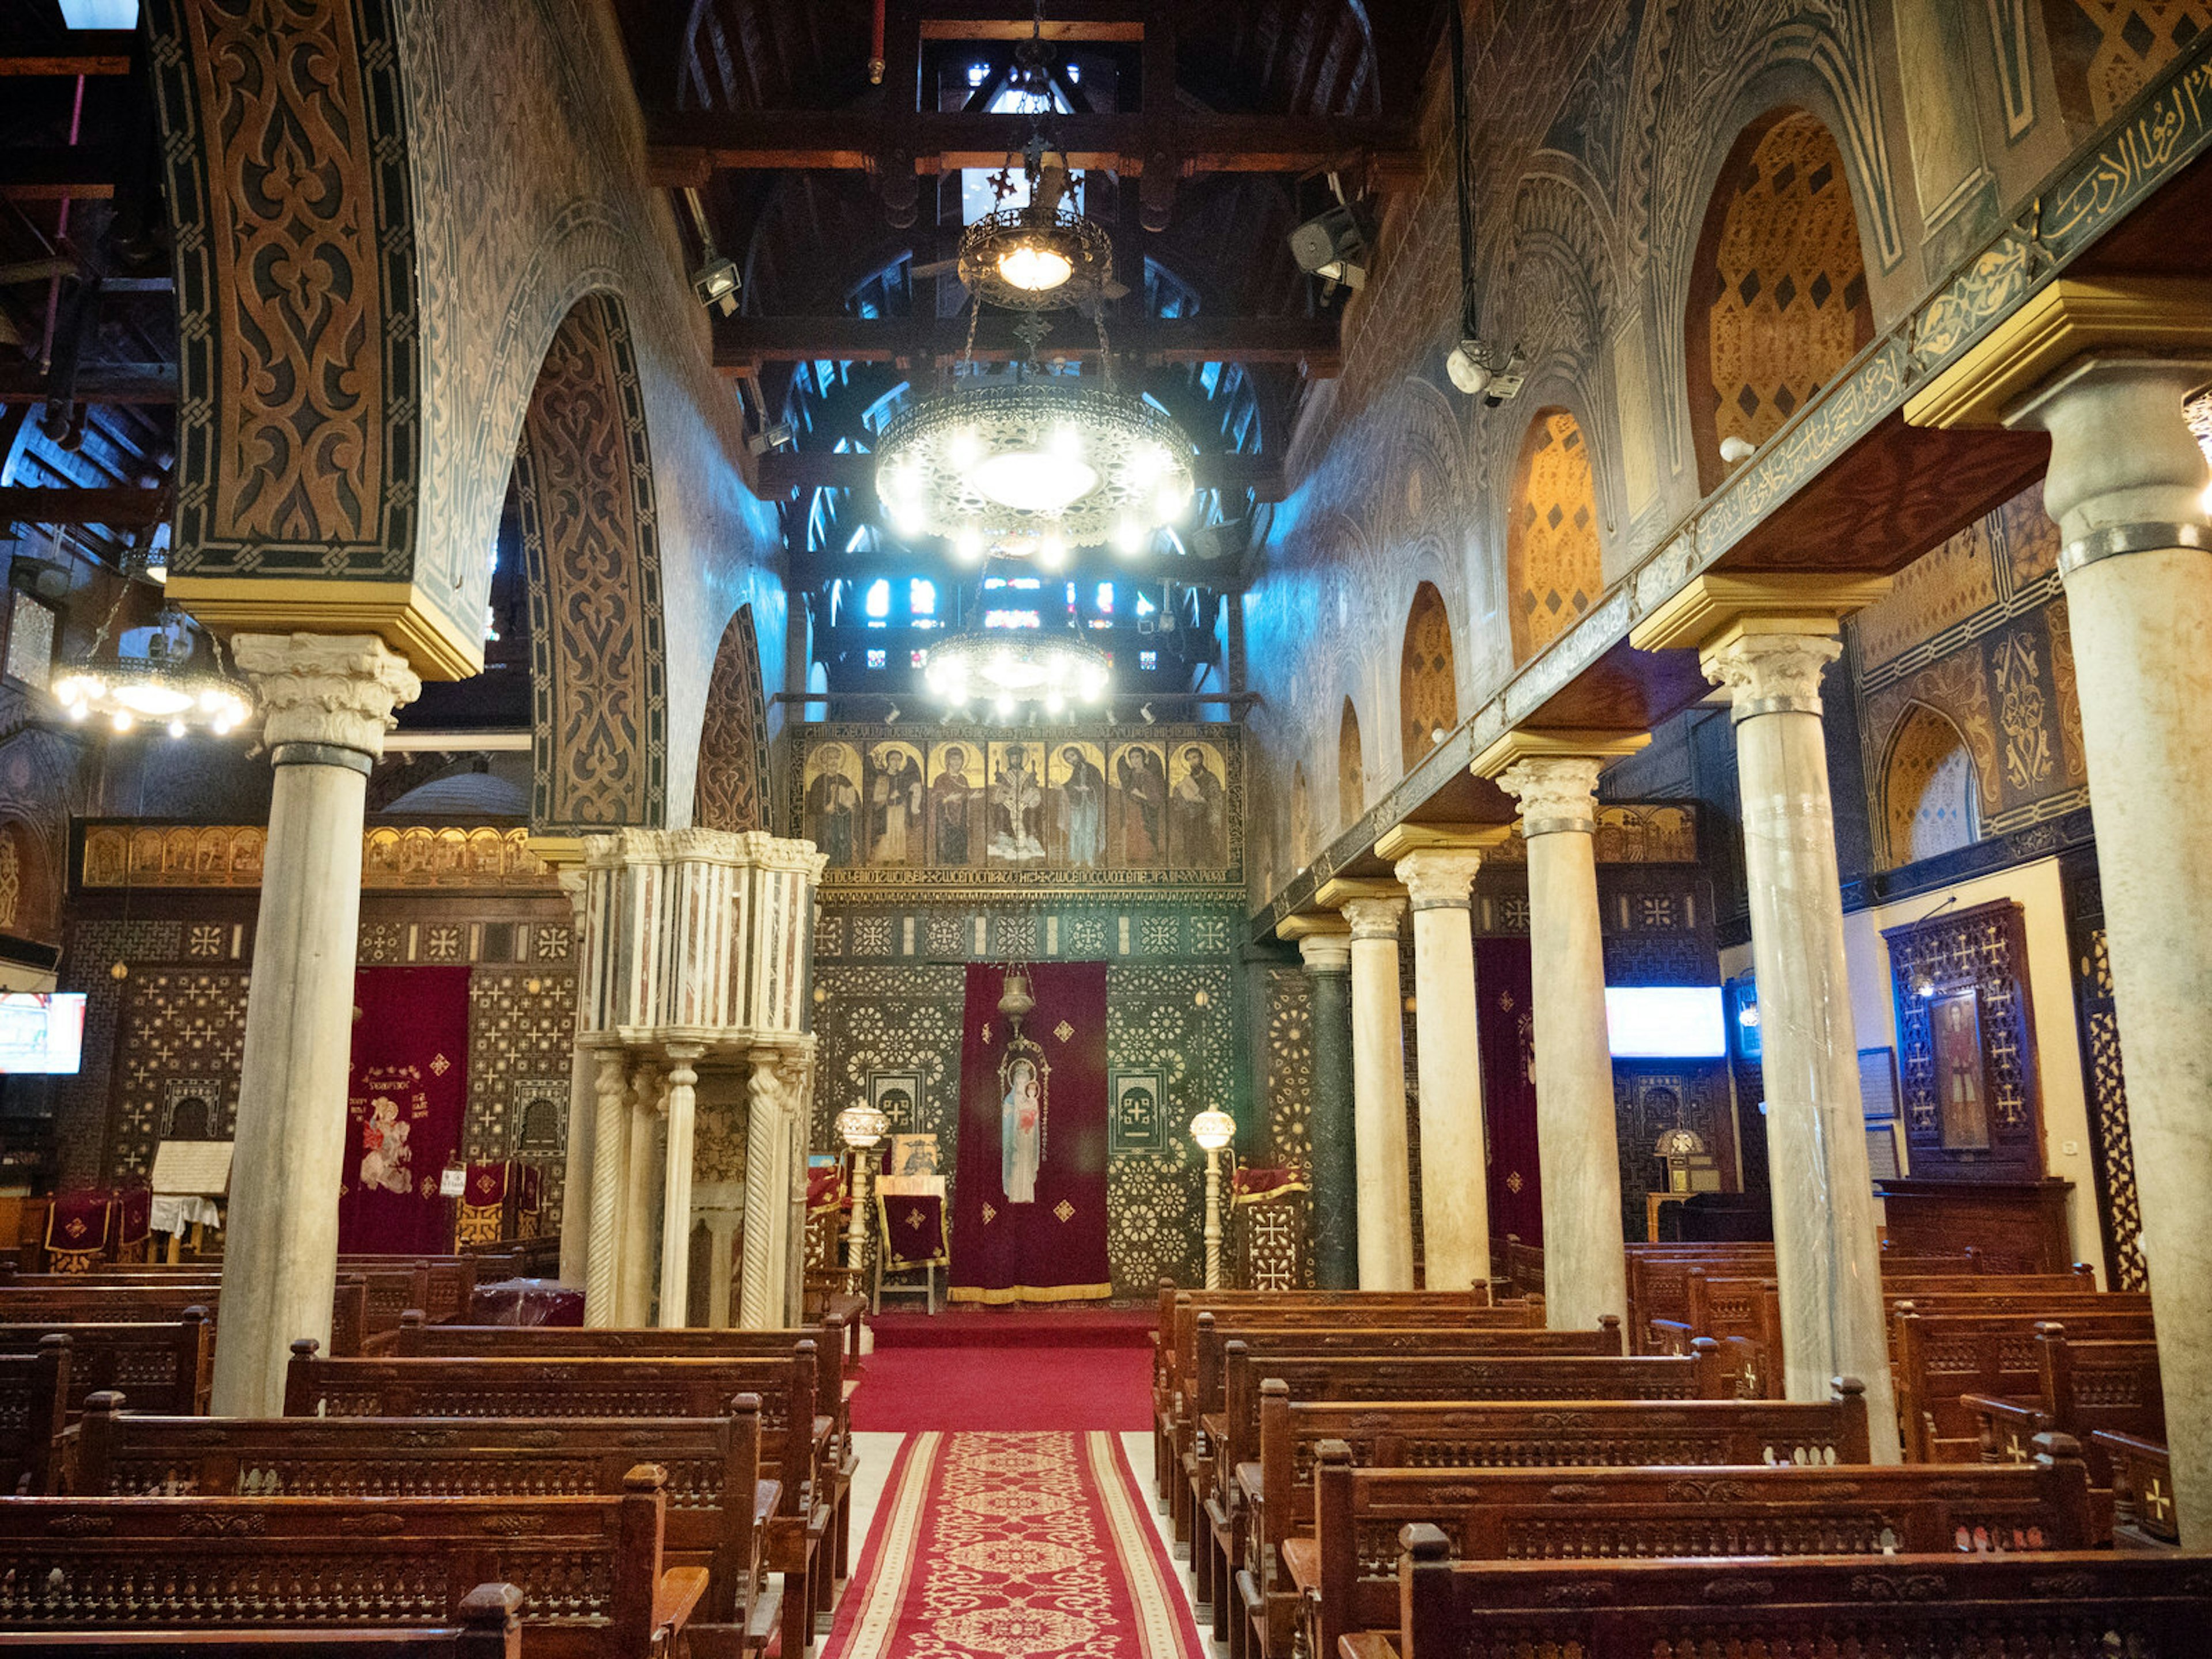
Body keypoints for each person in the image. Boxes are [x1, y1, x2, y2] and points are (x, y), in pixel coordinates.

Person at [805, 743, 859, 866]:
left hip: (843, 821)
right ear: (824, 761)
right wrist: (825, 808)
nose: (834, 761)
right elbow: (812, 805)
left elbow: (855, 801)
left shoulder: (845, 780)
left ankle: (844, 866)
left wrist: (851, 806)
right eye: (830, 758)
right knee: (827, 842)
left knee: (842, 843)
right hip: (825, 822)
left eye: (836, 758)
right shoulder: (818, 781)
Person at [1171, 744, 1226, 865]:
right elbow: (1179, 798)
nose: (1192, 762)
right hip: (1190, 815)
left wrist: (1204, 801)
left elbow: (1216, 797)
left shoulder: (1210, 778)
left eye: (1195, 757)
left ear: (1201, 759)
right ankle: (1192, 861)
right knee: (1191, 838)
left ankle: (1208, 862)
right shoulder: (1188, 779)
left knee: (1205, 838)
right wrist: (1180, 794)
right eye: (1189, 759)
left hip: (1206, 815)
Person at [1058, 744, 1106, 867]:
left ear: (1079, 754)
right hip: (1077, 805)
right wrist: (1062, 786)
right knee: (1076, 830)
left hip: (1090, 804)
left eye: (1072, 756)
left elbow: (1100, 785)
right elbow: (1070, 784)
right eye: (1068, 759)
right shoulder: (1076, 771)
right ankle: (1078, 860)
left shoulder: (1092, 768)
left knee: (1090, 830)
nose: (1071, 760)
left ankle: (1090, 859)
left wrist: (1089, 789)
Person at [1001, 1058, 1041, 1204]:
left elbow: (1034, 1119)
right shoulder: (1009, 1100)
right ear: (1014, 1081)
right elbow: (1007, 1118)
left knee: (1025, 1160)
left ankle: (1026, 1194)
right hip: (1014, 1135)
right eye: (1018, 1080)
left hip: (1027, 1135)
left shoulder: (1031, 1100)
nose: (1021, 1083)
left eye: (1024, 1081)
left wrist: (1028, 1118)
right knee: (1016, 1162)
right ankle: (1015, 1194)